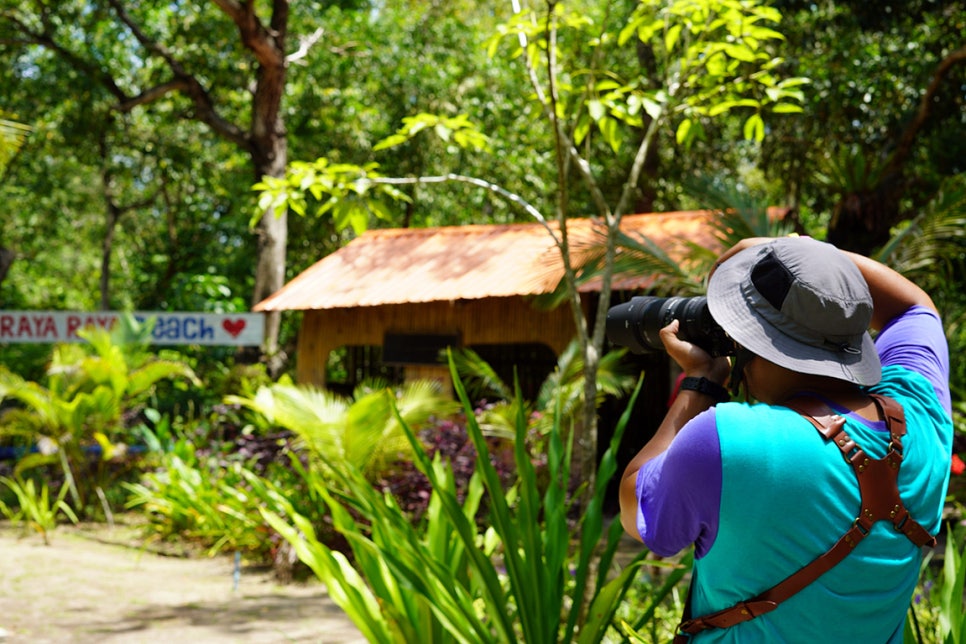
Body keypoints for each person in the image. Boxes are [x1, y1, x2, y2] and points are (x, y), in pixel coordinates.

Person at [619, 236, 952, 642]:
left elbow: (635, 504)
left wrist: (700, 384)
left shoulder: (729, 439)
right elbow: (914, 306)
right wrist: (814, 262)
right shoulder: (922, 415)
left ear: (750, 339)